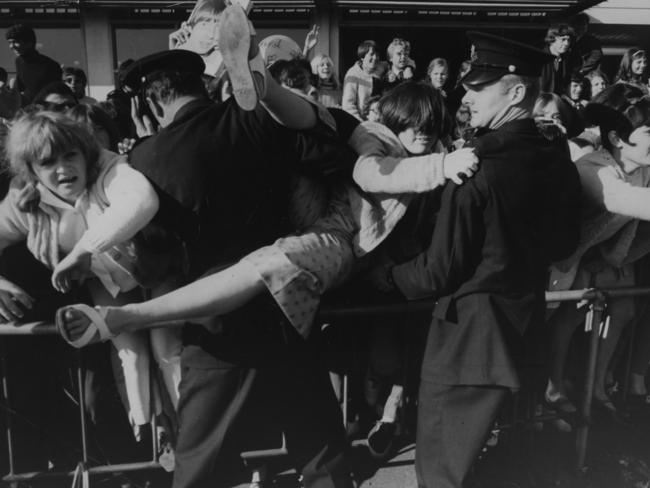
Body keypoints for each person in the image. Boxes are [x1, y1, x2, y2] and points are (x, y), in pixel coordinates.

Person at [59, 7, 356, 486]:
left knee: (200, 468)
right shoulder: (254, 121)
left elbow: (154, 263)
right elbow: (327, 150)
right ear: (200, 85)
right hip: (287, 301)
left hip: (217, 327)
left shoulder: (144, 160)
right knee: (321, 453)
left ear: (147, 105)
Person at [374, 31, 581, 488]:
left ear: (517, 91)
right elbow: (565, 242)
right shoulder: (555, 153)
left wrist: (385, 276)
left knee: (445, 475)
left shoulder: (476, 165)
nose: (466, 94)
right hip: (525, 333)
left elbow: (439, 269)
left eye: (479, 86)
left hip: (468, 343)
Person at [547, 83, 650, 421]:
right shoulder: (593, 169)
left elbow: (632, 222)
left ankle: (562, 390)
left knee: (582, 314)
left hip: (589, 255)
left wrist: (612, 257)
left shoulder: (642, 169)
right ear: (619, 139)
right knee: (549, 321)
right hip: (555, 259)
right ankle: (543, 395)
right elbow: (626, 202)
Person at [5, 24, 62, 105]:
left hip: (45, 111)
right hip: (27, 110)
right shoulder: (19, 61)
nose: (12, 46)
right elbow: (21, 86)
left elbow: (56, 94)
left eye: (15, 42)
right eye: (9, 43)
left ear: (29, 42)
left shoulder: (51, 66)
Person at [342, 40, 382, 120]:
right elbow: (348, 106)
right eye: (371, 54)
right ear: (362, 57)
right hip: (361, 122)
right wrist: (362, 124)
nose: (375, 58)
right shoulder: (353, 74)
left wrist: (408, 67)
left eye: (377, 55)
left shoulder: (381, 68)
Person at [539, 23, 581, 95]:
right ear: (552, 39)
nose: (566, 43)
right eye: (563, 39)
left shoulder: (566, 59)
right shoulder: (540, 59)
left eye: (569, 40)